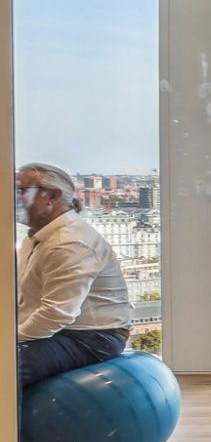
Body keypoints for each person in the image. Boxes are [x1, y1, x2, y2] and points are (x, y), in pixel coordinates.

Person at [16, 163, 133, 391]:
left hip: (92, 337)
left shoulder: (70, 242)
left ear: (52, 196)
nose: (15, 198)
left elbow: (55, 314)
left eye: (22, 190)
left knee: (7, 365)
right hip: (63, 330)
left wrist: (10, 339)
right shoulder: (37, 237)